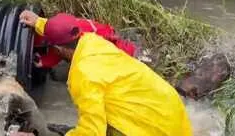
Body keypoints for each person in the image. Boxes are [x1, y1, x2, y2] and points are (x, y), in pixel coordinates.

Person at [18, 12, 193, 136]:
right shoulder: (92, 41)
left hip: (152, 129)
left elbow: (93, 132)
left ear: (57, 48)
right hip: (171, 108)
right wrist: (40, 23)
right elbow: (67, 30)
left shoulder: (84, 74)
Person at [22, 10, 138, 69]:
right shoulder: (74, 27)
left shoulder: (93, 55)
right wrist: (37, 21)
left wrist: (44, 62)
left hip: (123, 58)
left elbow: (59, 51)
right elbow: (57, 30)